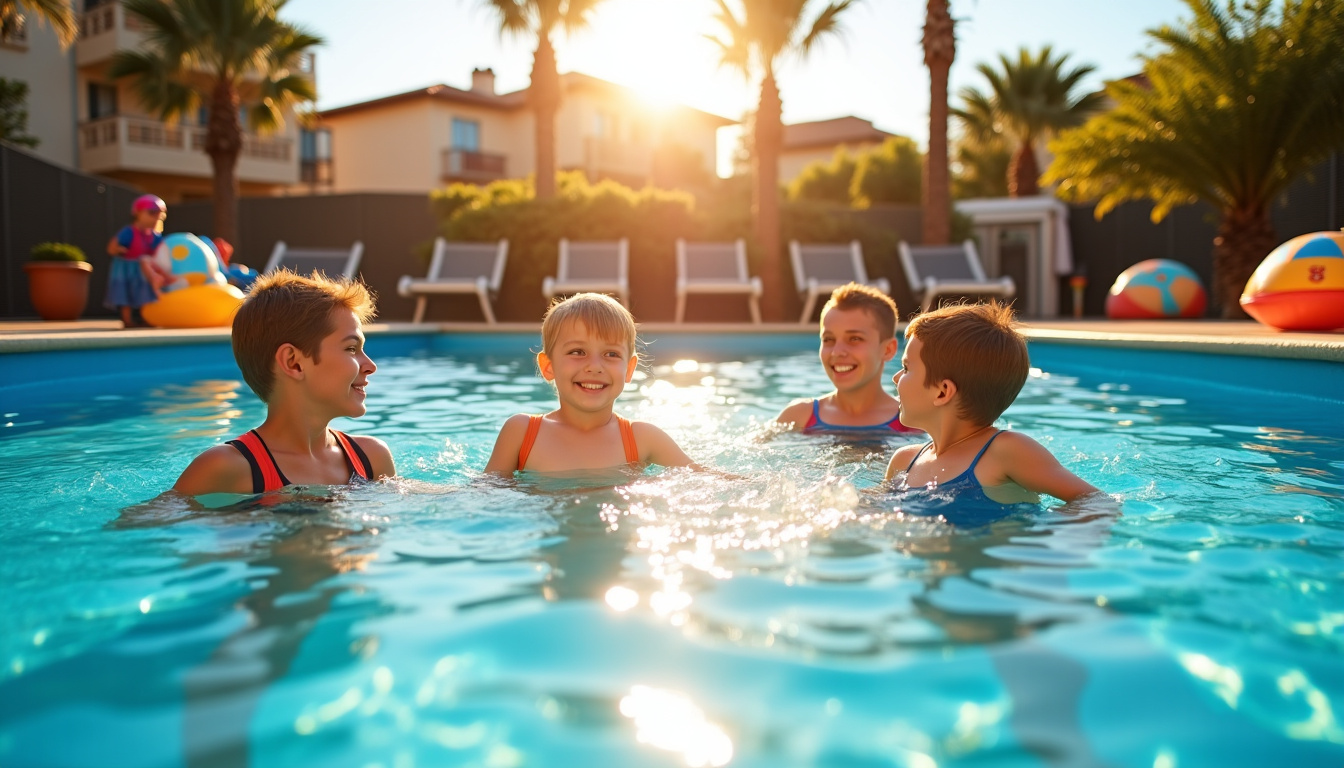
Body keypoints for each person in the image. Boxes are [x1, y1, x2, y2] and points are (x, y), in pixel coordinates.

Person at [173, 270, 396, 496]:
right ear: (294, 363)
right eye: (351, 348)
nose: (370, 365)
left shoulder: (371, 459)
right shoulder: (225, 467)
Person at [883, 302, 1098, 523]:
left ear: (942, 392)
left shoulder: (1004, 452)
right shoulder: (903, 462)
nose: (896, 377)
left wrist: (1048, 537)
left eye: (907, 368)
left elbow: (1096, 502)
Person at [484, 292, 697, 475]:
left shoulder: (643, 439)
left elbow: (708, 481)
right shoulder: (522, 433)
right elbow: (483, 494)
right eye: (577, 352)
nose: (595, 366)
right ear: (548, 366)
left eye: (611, 354)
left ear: (629, 369)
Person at [775, 282, 920, 434]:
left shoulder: (913, 422)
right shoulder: (799, 416)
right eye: (828, 339)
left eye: (855, 339)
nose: (837, 352)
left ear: (888, 349)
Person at [105, 194, 170, 327]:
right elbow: (111, 248)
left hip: (143, 270)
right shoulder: (128, 232)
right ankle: (127, 320)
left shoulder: (154, 236)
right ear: (138, 213)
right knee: (125, 293)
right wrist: (119, 249)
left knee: (145, 293)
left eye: (159, 214)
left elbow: (160, 250)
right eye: (152, 213)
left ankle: (146, 317)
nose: (155, 218)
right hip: (126, 268)